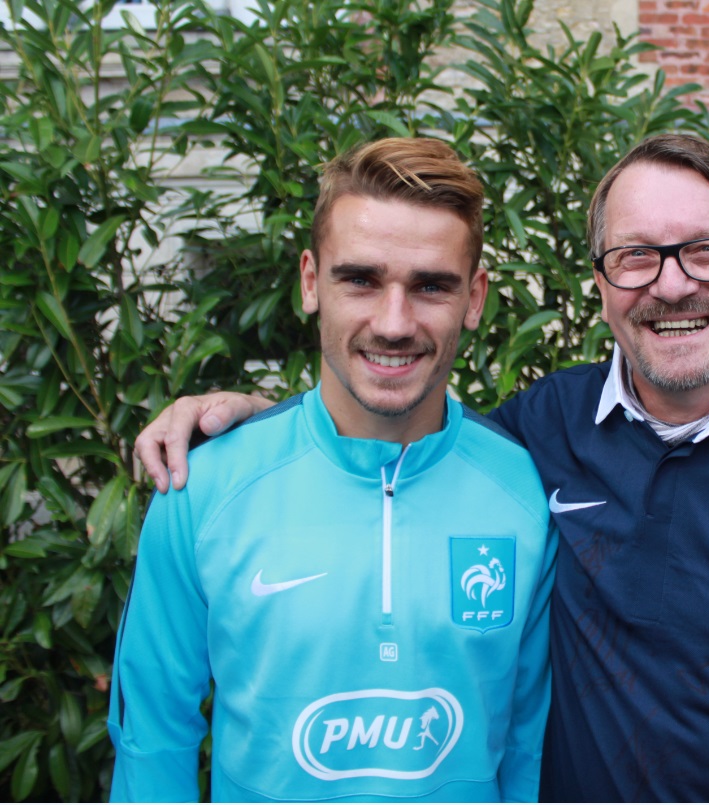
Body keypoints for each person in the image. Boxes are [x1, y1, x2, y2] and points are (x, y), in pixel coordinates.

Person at [134, 134, 709, 802]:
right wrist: (245, 418)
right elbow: (383, 431)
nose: (671, 285)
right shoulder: (547, 433)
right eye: (636, 255)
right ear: (603, 281)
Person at [108, 138, 557, 803]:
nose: (394, 321)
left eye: (431, 285)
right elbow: (152, 739)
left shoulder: (521, 490)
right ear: (311, 281)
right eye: (361, 279)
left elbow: (528, 748)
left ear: (475, 296)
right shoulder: (203, 488)